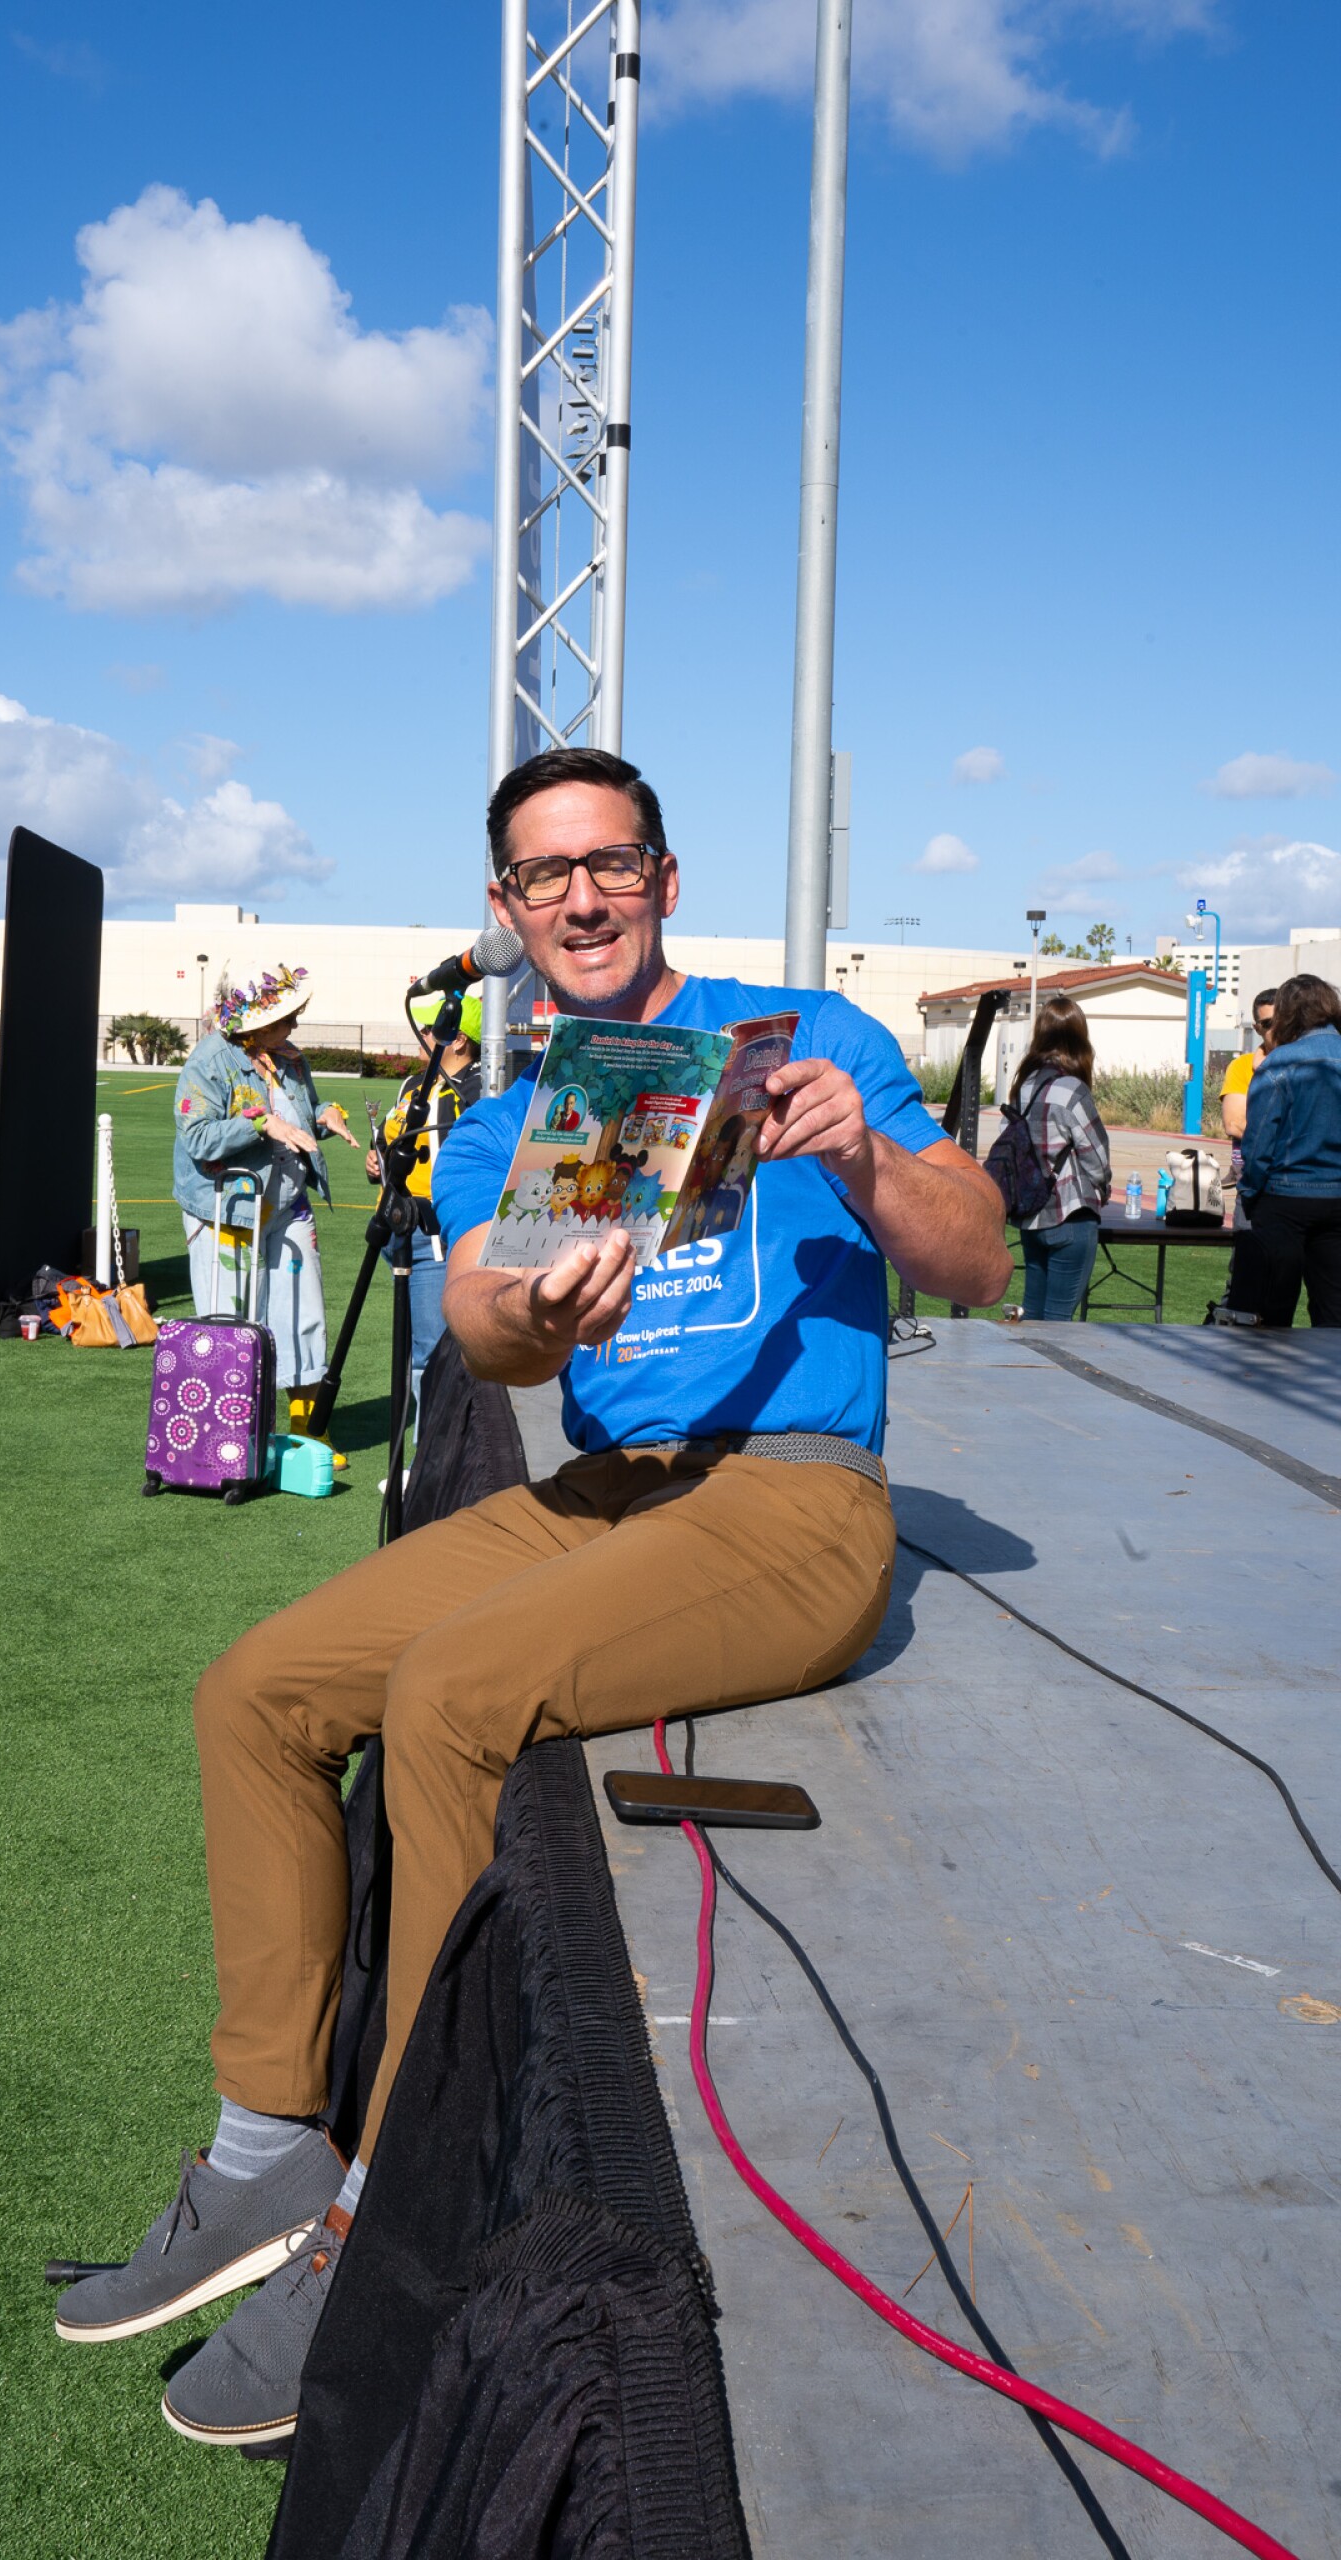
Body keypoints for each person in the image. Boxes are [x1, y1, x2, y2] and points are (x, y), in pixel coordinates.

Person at [54, 748, 1012, 2446]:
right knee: (253, 1692)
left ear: (663, 874)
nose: (580, 895)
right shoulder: (522, 1112)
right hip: (603, 1490)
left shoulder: (816, 1040)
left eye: (611, 862)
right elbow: (486, 1328)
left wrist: (864, 1164)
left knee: (453, 1693)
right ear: (505, 906)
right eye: (543, 874)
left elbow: (979, 1256)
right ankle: (272, 2151)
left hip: (795, 1490)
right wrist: (539, 1313)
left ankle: (383, 2219)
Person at [171, 965, 360, 1457]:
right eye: (283, 1020)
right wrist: (260, 1123)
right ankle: (230, 1433)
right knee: (232, 1318)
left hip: (288, 1205)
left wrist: (325, 1117)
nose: (292, 1027)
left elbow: (301, 1118)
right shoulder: (208, 1063)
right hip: (226, 1210)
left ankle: (308, 1429)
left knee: (304, 1312)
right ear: (249, 1025)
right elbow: (198, 1138)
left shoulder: (291, 1059)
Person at [365, 990, 482, 1434]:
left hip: (437, 1231)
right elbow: (396, 1140)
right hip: (397, 1226)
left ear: (460, 1040)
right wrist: (378, 1161)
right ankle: (421, 1452)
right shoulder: (413, 1085)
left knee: (432, 1351)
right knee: (412, 1347)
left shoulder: (475, 1089)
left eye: (432, 1028)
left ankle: (428, 1460)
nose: (423, 1034)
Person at [1230, 973, 1341, 1328]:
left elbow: (1259, 1141)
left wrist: (1250, 1190)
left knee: (1272, 1317)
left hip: (1284, 1198)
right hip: (1337, 1198)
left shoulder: (1279, 1063)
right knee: (1333, 1313)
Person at [1010, 996, 1112, 1320]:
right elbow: (1096, 1158)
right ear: (1079, 1038)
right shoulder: (1072, 1089)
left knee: (1033, 1317)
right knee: (1060, 1323)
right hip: (1070, 1215)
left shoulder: (1022, 1088)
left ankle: (1028, 1372)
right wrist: (1102, 1189)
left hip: (1030, 1215)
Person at [1219, 987, 1278, 1227]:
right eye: (1269, 1023)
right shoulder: (1243, 1067)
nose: (1278, 1029)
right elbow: (1234, 1124)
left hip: (1299, 1190)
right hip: (1253, 1185)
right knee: (1248, 1260)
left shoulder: (1309, 1064)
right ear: (1257, 1028)